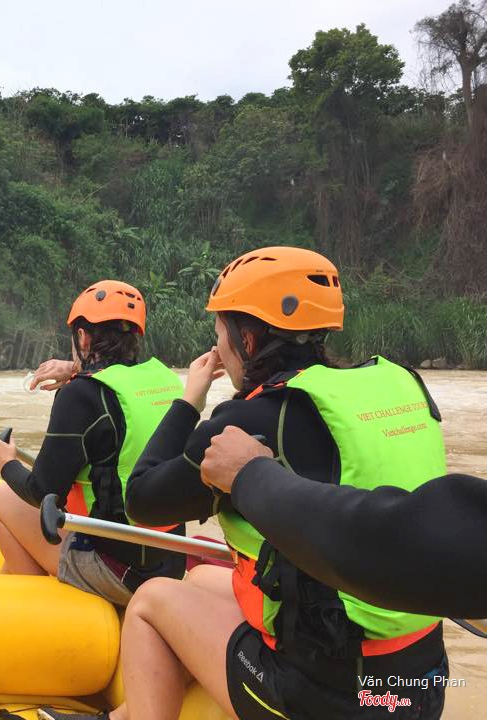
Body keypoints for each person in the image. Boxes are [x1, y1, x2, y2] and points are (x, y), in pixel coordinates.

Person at [121, 246, 449, 720]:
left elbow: (141, 501)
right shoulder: (400, 386)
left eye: (220, 334)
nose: (219, 348)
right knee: (203, 577)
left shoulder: (251, 420)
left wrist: (190, 400)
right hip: (421, 685)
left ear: (247, 338)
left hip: (330, 700)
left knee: (151, 600)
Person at [0, 280, 211, 720]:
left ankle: (39, 622)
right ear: (135, 336)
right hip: (168, 561)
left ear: (83, 337)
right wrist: (75, 370)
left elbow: (42, 490)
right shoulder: (166, 380)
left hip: (114, 567)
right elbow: (113, 407)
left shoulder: (81, 396)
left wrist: (6, 463)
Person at [201, 426, 487, 619]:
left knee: (169, 594)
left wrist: (250, 475)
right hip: (422, 656)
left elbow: (392, 542)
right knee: (202, 575)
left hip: (328, 671)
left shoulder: (262, 412)